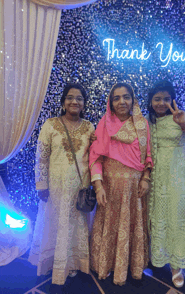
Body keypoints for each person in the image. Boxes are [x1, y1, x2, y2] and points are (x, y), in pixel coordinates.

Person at [28, 83, 95, 288]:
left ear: (84, 104)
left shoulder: (90, 127)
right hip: (55, 187)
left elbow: (94, 158)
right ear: (63, 101)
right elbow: (42, 157)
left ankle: (74, 262)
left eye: (79, 98)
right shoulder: (50, 125)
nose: (74, 101)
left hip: (79, 187)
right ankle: (52, 263)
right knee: (54, 223)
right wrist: (41, 184)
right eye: (70, 97)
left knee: (76, 225)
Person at [89, 82, 153, 285]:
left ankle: (130, 266)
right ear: (110, 102)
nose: (121, 101)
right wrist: (98, 186)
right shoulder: (104, 123)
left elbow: (148, 155)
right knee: (110, 223)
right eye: (116, 98)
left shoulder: (142, 124)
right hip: (109, 187)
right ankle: (106, 265)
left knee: (131, 225)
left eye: (126, 96)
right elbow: (95, 157)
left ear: (133, 99)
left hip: (134, 189)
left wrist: (145, 178)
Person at [146, 80, 185, 288]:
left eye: (166, 99)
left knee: (174, 218)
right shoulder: (147, 121)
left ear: (172, 100)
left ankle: (176, 265)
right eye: (157, 99)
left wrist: (184, 124)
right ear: (151, 101)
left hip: (176, 181)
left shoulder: (181, 117)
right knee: (153, 219)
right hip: (152, 180)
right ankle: (154, 257)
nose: (161, 103)